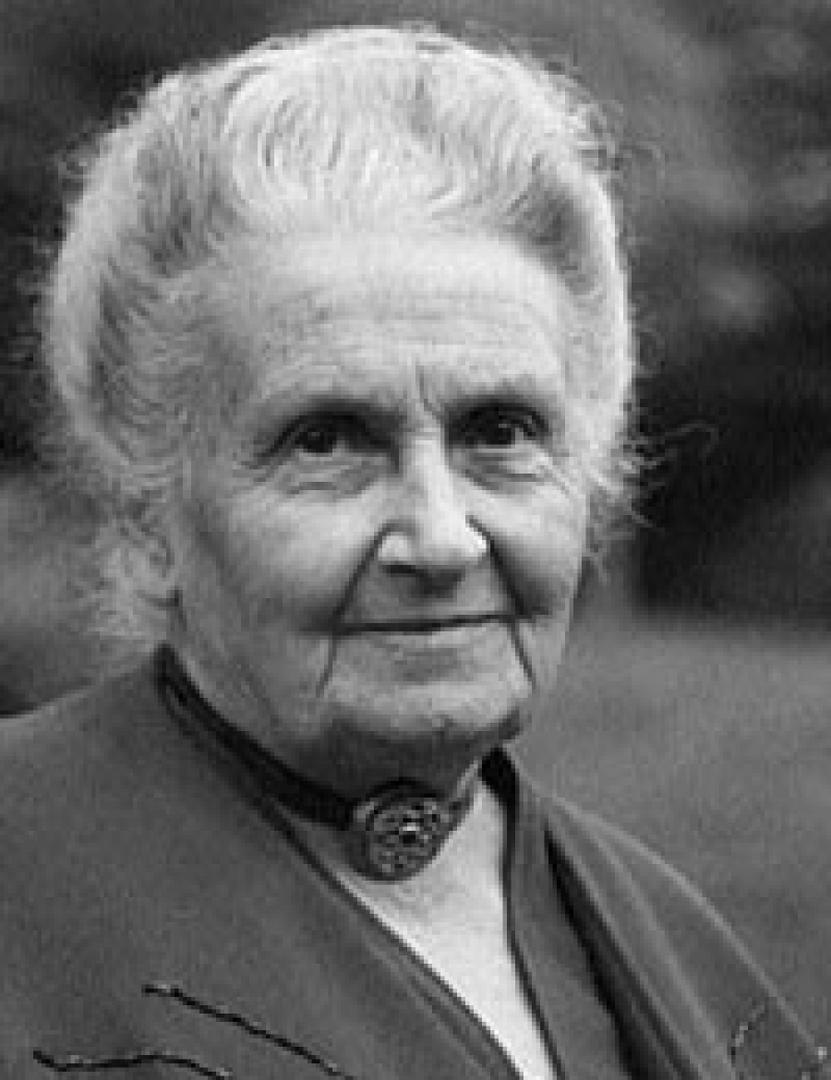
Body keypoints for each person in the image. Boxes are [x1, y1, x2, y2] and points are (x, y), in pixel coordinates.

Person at [0, 24, 824, 1080]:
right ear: (144, 516)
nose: (441, 536)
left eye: (501, 432)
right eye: (328, 440)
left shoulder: (680, 953)